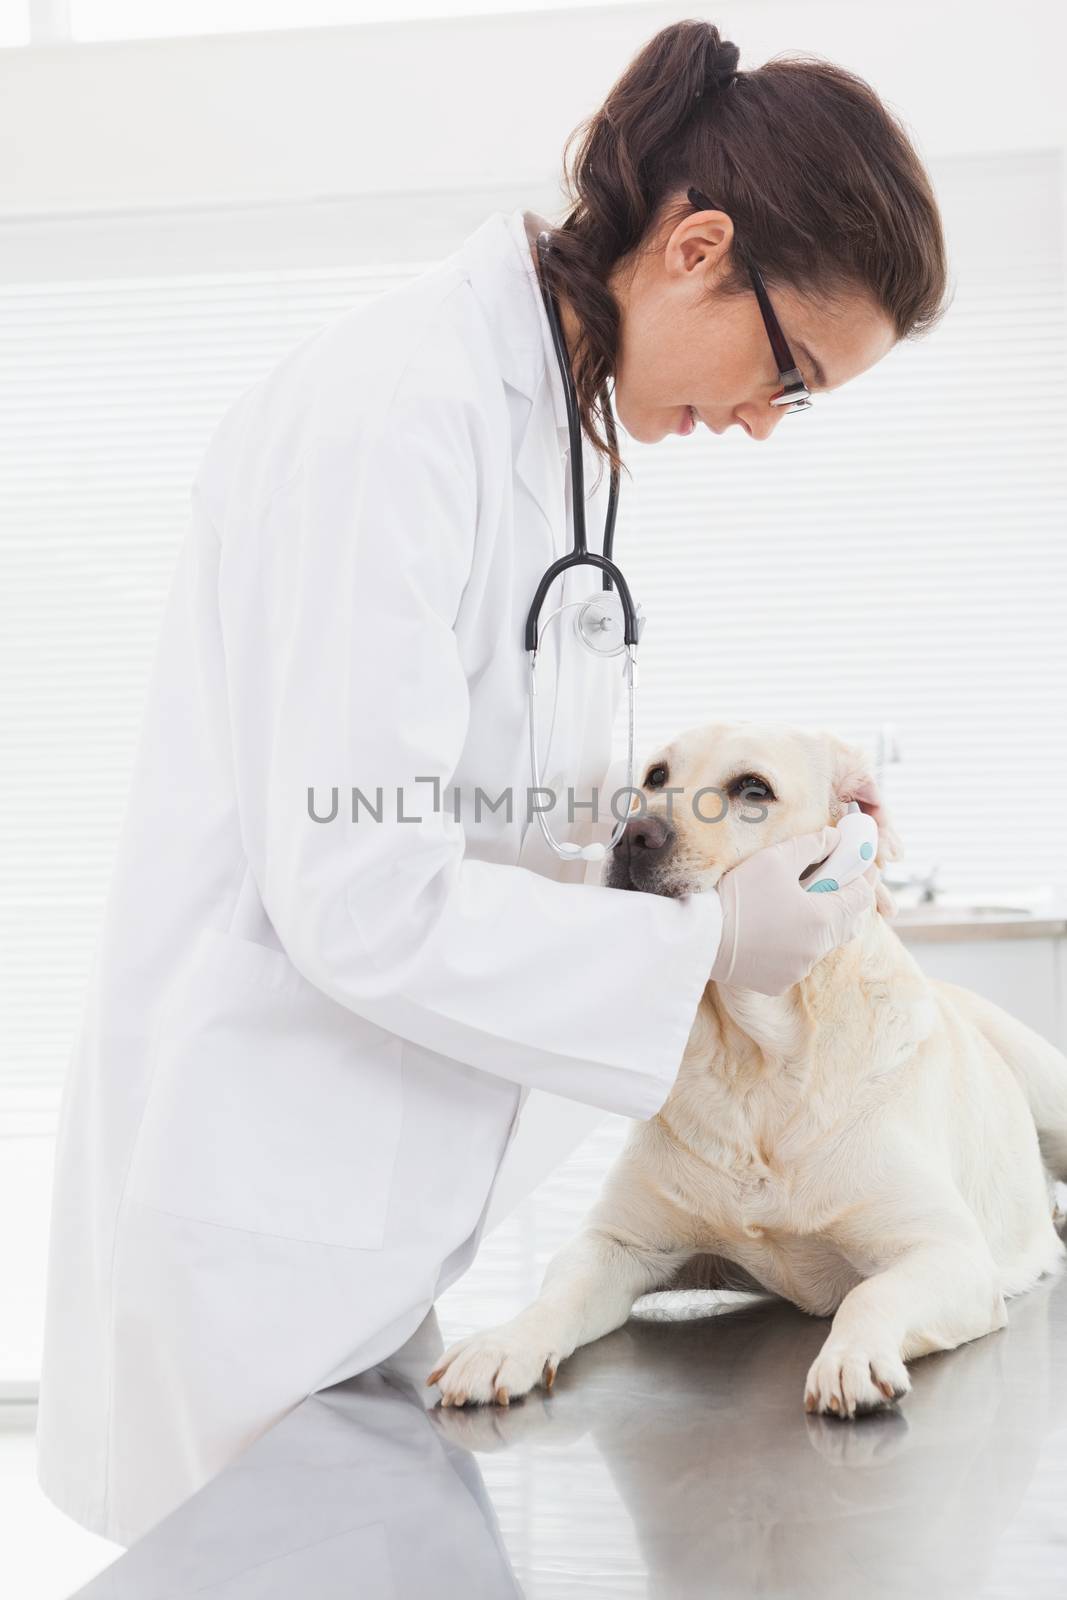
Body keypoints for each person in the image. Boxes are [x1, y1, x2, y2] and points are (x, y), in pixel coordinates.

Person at [36, 19, 947, 1547]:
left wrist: (777, 806)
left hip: (367, 1218)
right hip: (253, 1210)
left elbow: (512, 812)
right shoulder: (401, 414)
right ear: (698, 247)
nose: (763, 423)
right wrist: (710, 948)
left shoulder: (560, 434)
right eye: (787, 371)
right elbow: (363, 887)